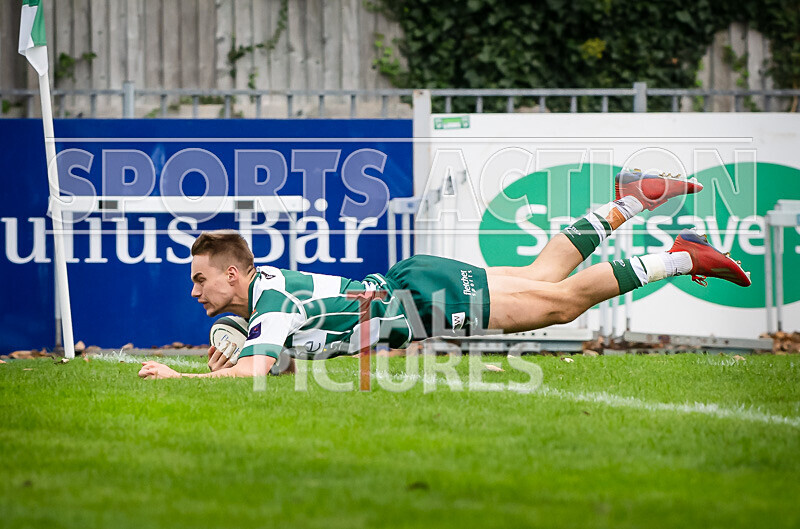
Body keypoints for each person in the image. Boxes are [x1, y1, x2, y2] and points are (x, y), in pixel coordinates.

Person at [139, 170, 751, 379]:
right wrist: (239, 341)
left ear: (234, 275)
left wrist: (178, 376)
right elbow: (282, 360)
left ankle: (682, 256)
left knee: (562, 303)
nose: (193, 290)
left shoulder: (270, 302)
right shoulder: (264, 297)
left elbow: (256, 373)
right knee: (545, 274)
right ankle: (631, 199)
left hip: (420, 300)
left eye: (200, 280)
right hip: (414, 285)